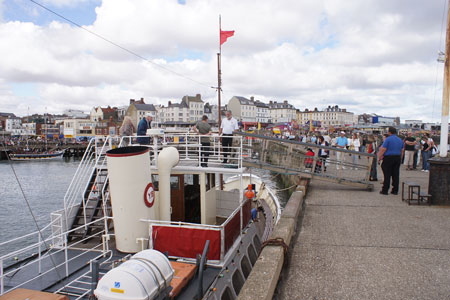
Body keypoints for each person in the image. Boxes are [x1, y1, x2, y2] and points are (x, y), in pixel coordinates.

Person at [378, 127, 404, 195]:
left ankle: (385, 190)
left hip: (389, 157)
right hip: (397, 157)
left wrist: (379, 157)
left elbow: (383, 149)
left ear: (389, 132)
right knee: (396, 174)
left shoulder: (388, 139)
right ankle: (395, 190)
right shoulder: (400, 140)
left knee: (387, 174)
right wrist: (401, 158)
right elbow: (402, 150)